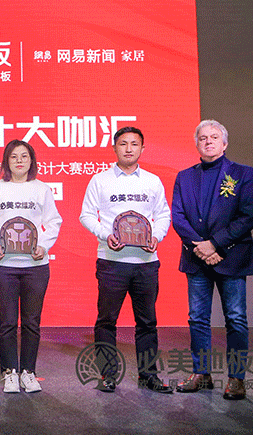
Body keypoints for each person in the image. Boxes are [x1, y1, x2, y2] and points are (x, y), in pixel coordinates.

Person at [79, 127, 173, 394]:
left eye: (134, 144)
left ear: (142, 148)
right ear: (114, 148)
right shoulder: (100, 180)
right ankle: (107, 375)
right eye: (123, 144)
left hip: (146, 262)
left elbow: (163, 214)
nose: (129, 149)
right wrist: (105, 234)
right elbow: (86, 215)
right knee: (107, 321)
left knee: (147, 322)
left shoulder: (152, 181)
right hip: (112, 262)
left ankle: (149, 375)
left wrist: (156, 236)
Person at [171, 120, 253, 401]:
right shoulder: (184, 176)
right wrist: (200, 247)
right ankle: (201, 373)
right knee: (197, 318)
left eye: (214, 137)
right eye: (203, 138)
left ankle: (236, 378)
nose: (208, 141)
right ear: (196, 144)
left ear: (225, 143)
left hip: (231, 257)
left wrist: (215, 244)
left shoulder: (242, 173)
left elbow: (247, 216)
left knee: (236, 318)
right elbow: (178, 216)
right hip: (197, 259)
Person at [0, 140, 62, 393]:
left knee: (31, 322)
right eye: (14, 157)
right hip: (4, 266)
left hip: (35, 265)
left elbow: (54, 221)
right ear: (7, 161)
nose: (19, 161)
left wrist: (43, 245)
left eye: (24, 156)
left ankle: (28, 372)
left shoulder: (42, 189)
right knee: (7, 322)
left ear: (31, 160)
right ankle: (9, 372)